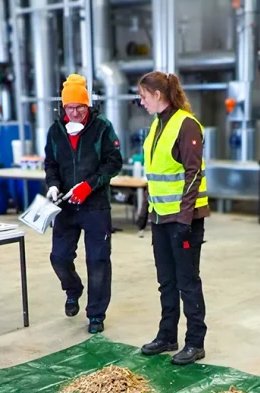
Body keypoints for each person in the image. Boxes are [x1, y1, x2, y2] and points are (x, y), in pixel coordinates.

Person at [136, 71, 209, 365]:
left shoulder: (186, 125)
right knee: (166, 280)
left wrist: (184, 219)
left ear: (157, 94)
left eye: (143, 96)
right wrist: (149, 212)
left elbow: (193, 174)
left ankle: (195, 341)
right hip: (161, 217)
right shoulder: (157, 125)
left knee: (187, 280)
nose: (141, 101)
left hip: (184, 220)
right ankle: (167, 335)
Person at [43, 74, 123, 334]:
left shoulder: (102, 127)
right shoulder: (56, 131)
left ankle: (96, 315)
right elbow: (51, 164)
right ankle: (73, 289)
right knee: (59, 257)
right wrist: (53, 185)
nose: (75, 112)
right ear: (63, 107)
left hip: (95, 205)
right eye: (70, 108)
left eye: (80, 107)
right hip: (66, 206)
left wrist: (90, 185)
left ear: (88, 106)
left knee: (98, 259)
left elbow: (113, 162)